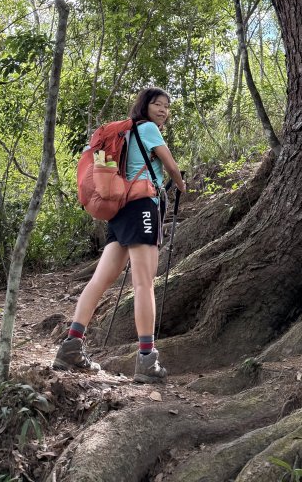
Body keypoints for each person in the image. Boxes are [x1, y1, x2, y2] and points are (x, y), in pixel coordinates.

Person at [52, 87, 186, 382]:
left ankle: (71, 348)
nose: (163, 110)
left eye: (166, 106)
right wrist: (181, 184)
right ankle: (147, 360)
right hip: (141, 207)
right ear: (145, 106)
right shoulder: (148, 129)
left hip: (120, 209)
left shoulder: (124, 133)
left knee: (101, 279)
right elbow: (170, 164)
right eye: (157, 104)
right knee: (144, 283)